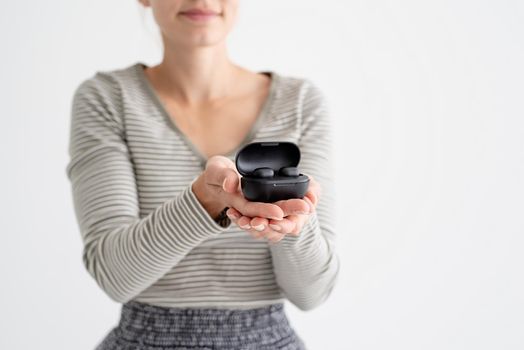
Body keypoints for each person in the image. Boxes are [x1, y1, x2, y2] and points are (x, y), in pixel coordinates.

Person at [66, 0, 340, 349]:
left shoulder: (301, 103)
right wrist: (204, 201)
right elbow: (115, 276)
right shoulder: (107, 99)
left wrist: (294, 223)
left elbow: (312, 292)